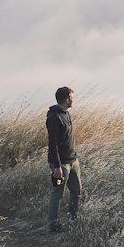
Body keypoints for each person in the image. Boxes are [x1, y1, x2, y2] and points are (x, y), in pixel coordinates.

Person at [46, 85, 80, 233]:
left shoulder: (66, 113)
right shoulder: (54, 118)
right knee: (57, 194)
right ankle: (53, 225)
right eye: (72, 97)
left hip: (73, 161)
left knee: (77, 191)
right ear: (67, 99)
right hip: (61, 165)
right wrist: (57, 167)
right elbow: (52, 144)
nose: (73, 100)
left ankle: (73, 219)